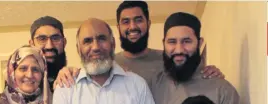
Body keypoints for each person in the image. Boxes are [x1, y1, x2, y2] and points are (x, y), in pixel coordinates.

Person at [54, 1, 223, 88]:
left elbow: (194, 80)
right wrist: (66, 71)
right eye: (126, 22)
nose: (132, 27)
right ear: (118, 28)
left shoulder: (169, 59)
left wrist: (210, 71)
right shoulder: (108, 65)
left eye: (138, 20)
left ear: (148, 24)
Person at [29, 16, 67, 90]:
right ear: (32, 44)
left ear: (64, 42)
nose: (49, 46)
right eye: (42, 39)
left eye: (55, 38)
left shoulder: (73, 80)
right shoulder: (21, 83)